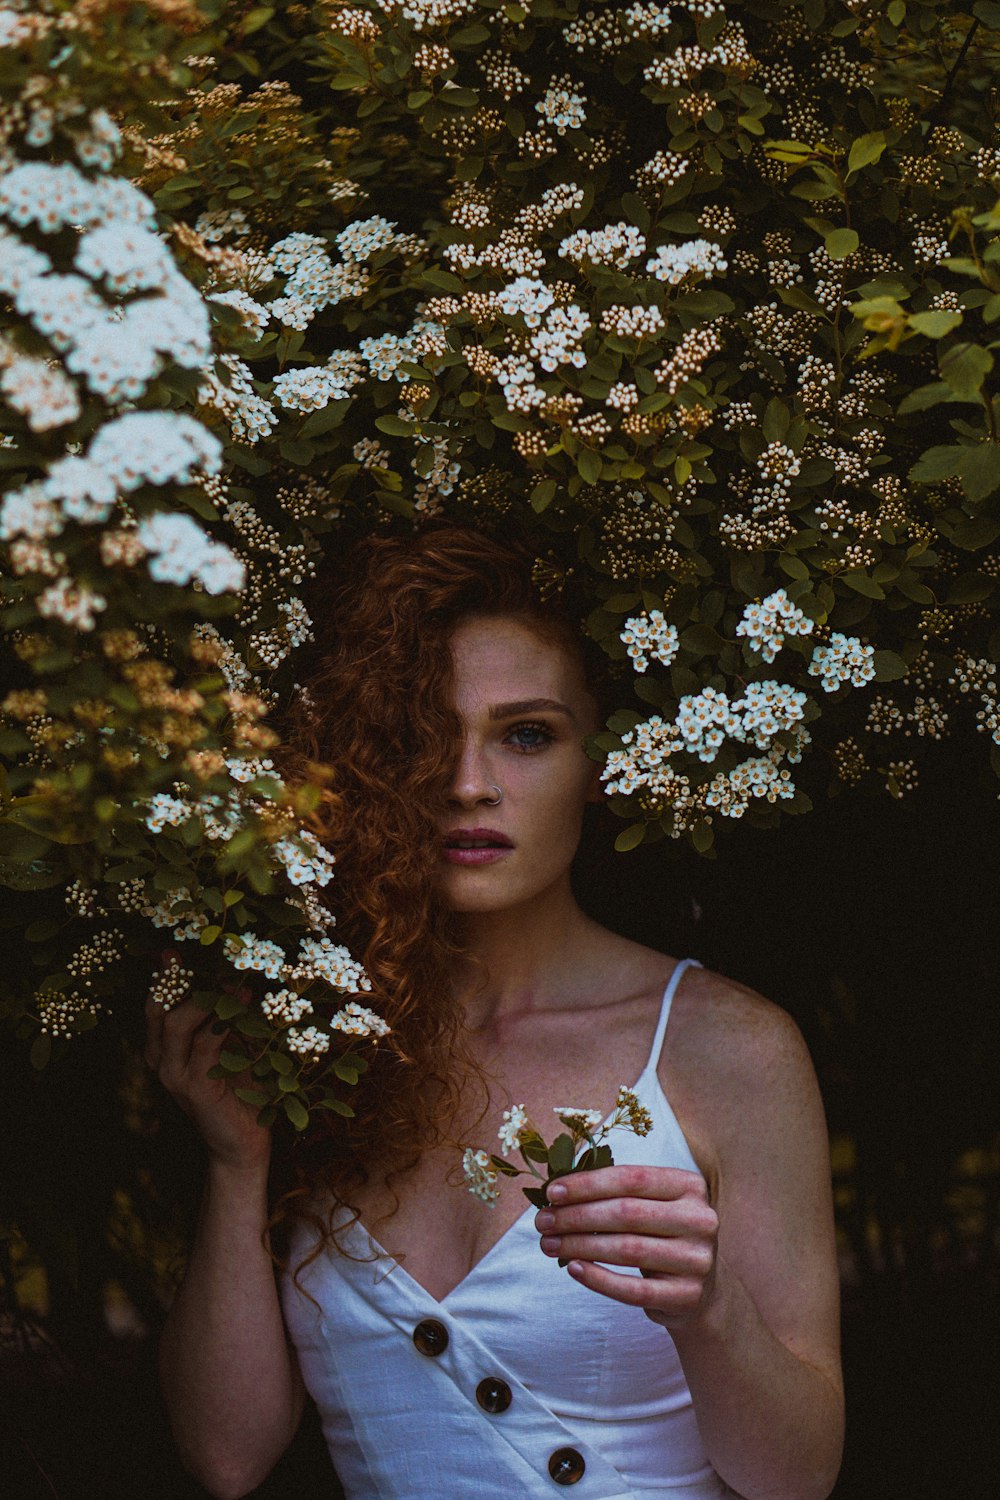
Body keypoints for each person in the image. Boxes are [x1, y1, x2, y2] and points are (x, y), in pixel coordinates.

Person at [145, 525, 844, 1500]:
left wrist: (707, 1310)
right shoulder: (323, 1040)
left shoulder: (727, 1046)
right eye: (420, 737)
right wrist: (236, 1165)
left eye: (526, 735)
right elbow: (226, 1459)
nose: (467, 783)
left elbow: (798, 1475)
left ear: (597, 761)